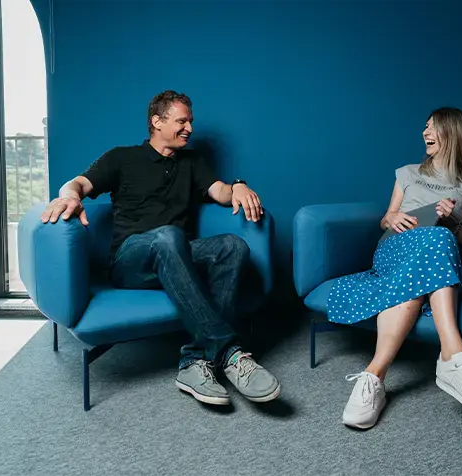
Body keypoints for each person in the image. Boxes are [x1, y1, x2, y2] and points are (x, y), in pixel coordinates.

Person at [40, 90, 281, 406]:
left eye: (190, 122)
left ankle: (195, 362)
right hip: (131, 262)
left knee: (233, 246)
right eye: (182, 121)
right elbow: (79, 185)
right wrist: (69, 195)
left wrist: (238, 185)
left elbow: (220, 191)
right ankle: (229, 353)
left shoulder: (192, 162)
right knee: (167, 236)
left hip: (176, 256)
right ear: (157, 121)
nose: (189, 128)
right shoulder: (121, 158)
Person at [327, 107, 462, 429]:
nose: (425, 133)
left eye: (433, 128)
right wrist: (391, 218)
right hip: (394, 250)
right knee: (435, 241)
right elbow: (386, 218)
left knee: (435, 244)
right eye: (425, 127)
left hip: (436, 252)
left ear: (452, 133)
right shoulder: (408, 172)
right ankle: (454, 357)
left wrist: (454, 221)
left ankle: (373, 376)